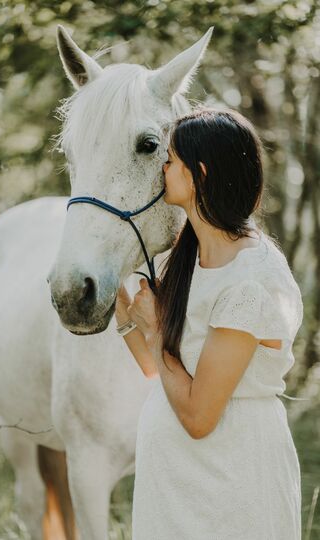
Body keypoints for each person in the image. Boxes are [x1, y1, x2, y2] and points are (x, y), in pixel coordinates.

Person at [115, 106, 304, 539]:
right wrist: (123, 308)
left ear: (199, 172)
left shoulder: (252, 279)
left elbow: (199, 415)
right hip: (176, 488)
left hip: (231, 484)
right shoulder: (188, 257)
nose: (161, 169)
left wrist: (156, 328)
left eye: (169, 160)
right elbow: (157, 367)